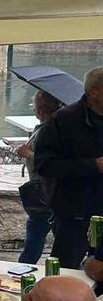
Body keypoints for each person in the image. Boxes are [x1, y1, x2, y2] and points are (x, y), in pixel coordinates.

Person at [35, 67, 103, 269]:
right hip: (75, 214)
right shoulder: (63, 120)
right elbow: (44, 165)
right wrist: (93, 166)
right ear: (94, 92)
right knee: (65, 270)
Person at [17, 90, 64, 265]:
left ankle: (23, 268)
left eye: (36, 106)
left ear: (40, 109)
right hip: (47, 191)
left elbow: (54, 162)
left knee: (36, 230)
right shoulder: (51, 126)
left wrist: (28, 153)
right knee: (44, 230)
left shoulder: (51, 129)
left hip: (46, 191)